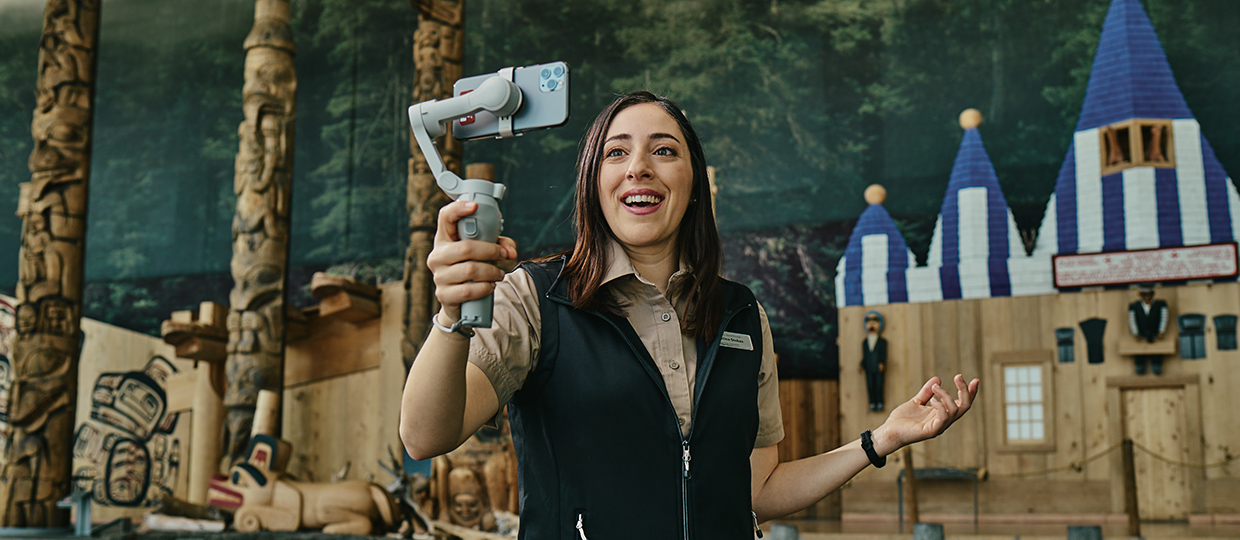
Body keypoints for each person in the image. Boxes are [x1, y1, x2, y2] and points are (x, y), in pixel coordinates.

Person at [400, 91, 980, 538]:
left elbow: (759, 487)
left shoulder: (741, 315)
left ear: (695, 184)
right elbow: (424, 436)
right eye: (617, 151)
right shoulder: (533, 298)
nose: (638, 168)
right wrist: (452, 314)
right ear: (593, 184)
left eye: (664, 150)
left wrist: (880, 439)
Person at [1127, 284, 1169, 375]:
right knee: (1139, 351)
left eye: (1150, 295)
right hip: (1141, 335)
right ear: (1141, 295)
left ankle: (1156, 364)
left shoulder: (1160, 304)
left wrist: (1161, 331)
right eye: (1145, 295)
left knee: (1157, 351)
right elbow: (1132, 319)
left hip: (1155, 334)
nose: (1148, 298)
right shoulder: (1134, 306)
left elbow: (1164, 318)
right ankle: (1140, 365)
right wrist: (1135, 333)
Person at [861, 310, 887, 412]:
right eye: (869, 323)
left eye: (874, 323)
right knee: (870, 385)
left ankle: (879, 402)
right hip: (869, 368)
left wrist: (882, 362)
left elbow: (883, 353)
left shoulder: (882, 342)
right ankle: (872, 403)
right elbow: (865, 355)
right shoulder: (864, 342)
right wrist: (862, 364)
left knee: (879, 385)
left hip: (877, 367)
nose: (871, 326)